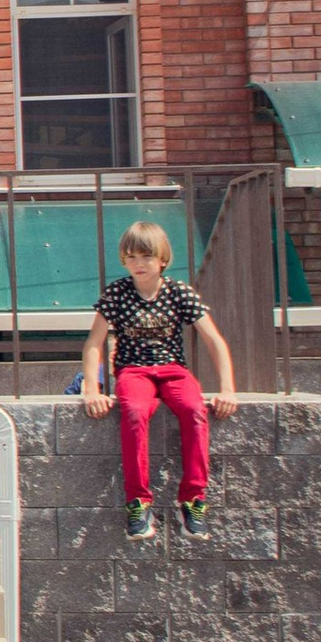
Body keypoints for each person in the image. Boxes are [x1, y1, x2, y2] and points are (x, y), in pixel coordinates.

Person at [82, 220, 238, 543]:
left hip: (172, 370)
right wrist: (92, 390)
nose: (138, 264)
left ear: (162, 259)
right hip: (133, 371)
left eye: (146, 256)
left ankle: (192, 501)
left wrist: (227, 389)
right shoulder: (116, 294)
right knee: (135, 412)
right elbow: (94, 343)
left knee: (194, 410)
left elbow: (214, 340)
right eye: (131, 257)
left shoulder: (178, 292)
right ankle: (138, 503)